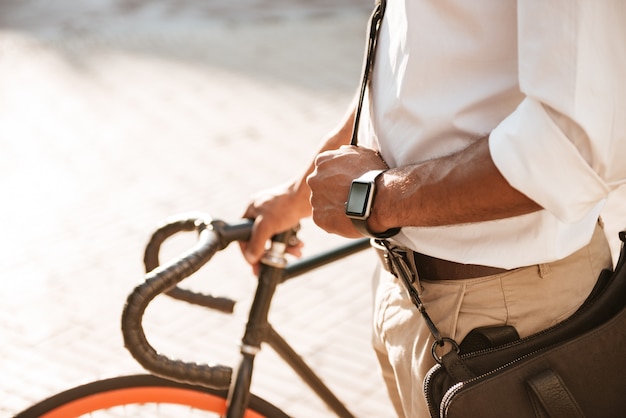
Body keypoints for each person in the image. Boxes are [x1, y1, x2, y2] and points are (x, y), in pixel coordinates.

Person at [241, 1, 626, 416]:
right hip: (406, 295)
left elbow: (571, 147)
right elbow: (399, 91)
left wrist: (374, 198)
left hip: (510, 321)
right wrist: (294, 198)